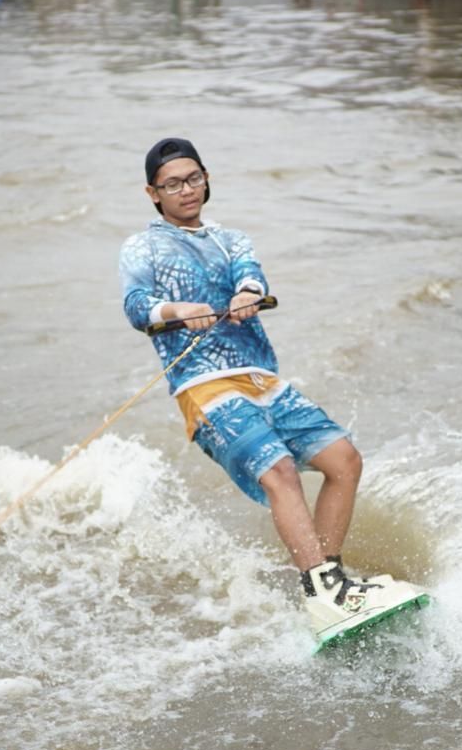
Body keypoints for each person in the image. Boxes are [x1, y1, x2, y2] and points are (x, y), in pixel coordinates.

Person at [119, 137, 427, 644]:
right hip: (203, 386)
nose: (186, 190)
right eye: (172, 184)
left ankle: (330, 586)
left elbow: (251, 276)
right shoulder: (142, 247)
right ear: (153, 193)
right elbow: (137, 307)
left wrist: (246, 295)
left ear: (207, 179)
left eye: (193, 178)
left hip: (262, 378)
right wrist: (177, 312)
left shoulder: (232, 239)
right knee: (279, 471)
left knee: (344, 460)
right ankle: (327, 591)